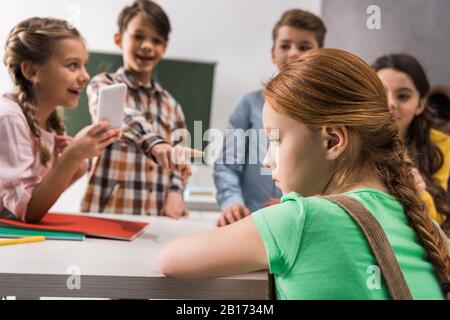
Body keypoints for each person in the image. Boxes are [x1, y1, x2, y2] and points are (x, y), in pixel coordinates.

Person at [158, 49, 448, 300]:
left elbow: (171, 259)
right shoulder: (426, 227)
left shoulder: (302, 219)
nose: (266, 159)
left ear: (333, 141)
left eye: (275, 140)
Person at [81, 0, 200, 217]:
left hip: (155, 218)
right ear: (119, 39)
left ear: (164, 48)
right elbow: (123, 117)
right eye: (138, 36)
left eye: (156, 40)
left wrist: (175, 192)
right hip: (107, 214)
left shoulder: (172, 105)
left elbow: (180, 155)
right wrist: (155, 143)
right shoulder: (103, 85)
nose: (147, 46)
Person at [0, 17, 121, 223]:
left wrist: (76, 163)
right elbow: (27, 212)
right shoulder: (9, 117)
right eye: (73, 66)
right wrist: (71, 157)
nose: (85, 76)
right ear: (31, 71)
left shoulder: (48, 123)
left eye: (84, 65)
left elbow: (38, 200)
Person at [213, 9, 327, 226]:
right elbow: (227, 165)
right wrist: (231, 202)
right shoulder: (249, 104)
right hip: (252, 222)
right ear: (273, 53)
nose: (293, 53)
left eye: (304, 47)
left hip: (305, 225)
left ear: (319, 55)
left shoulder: (328, 111)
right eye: (285, 45)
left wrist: (296, 206)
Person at [373, 54, 450, 233]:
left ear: (420, 105)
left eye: (403, 96)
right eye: (381, 93)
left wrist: (419, 193)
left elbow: (438, 217)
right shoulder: (351, 140)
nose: (391, 103)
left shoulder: (440, 144)